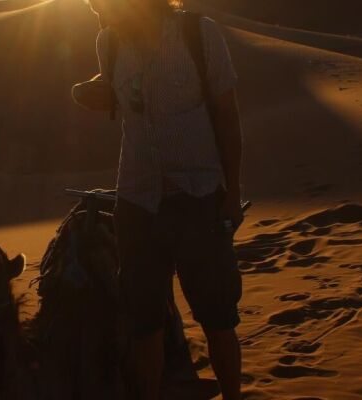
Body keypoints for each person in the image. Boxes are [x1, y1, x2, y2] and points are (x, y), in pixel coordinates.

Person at [71, 0, 244, 399]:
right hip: (137, 203)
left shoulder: (200, 36)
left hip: (198, 197)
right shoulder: (108, 43)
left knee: (218, 318)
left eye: (102, 4)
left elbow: (228, 116)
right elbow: (113, 86)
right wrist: (94, 89)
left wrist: (232, 193)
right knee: (142, 324)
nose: (97, 12)